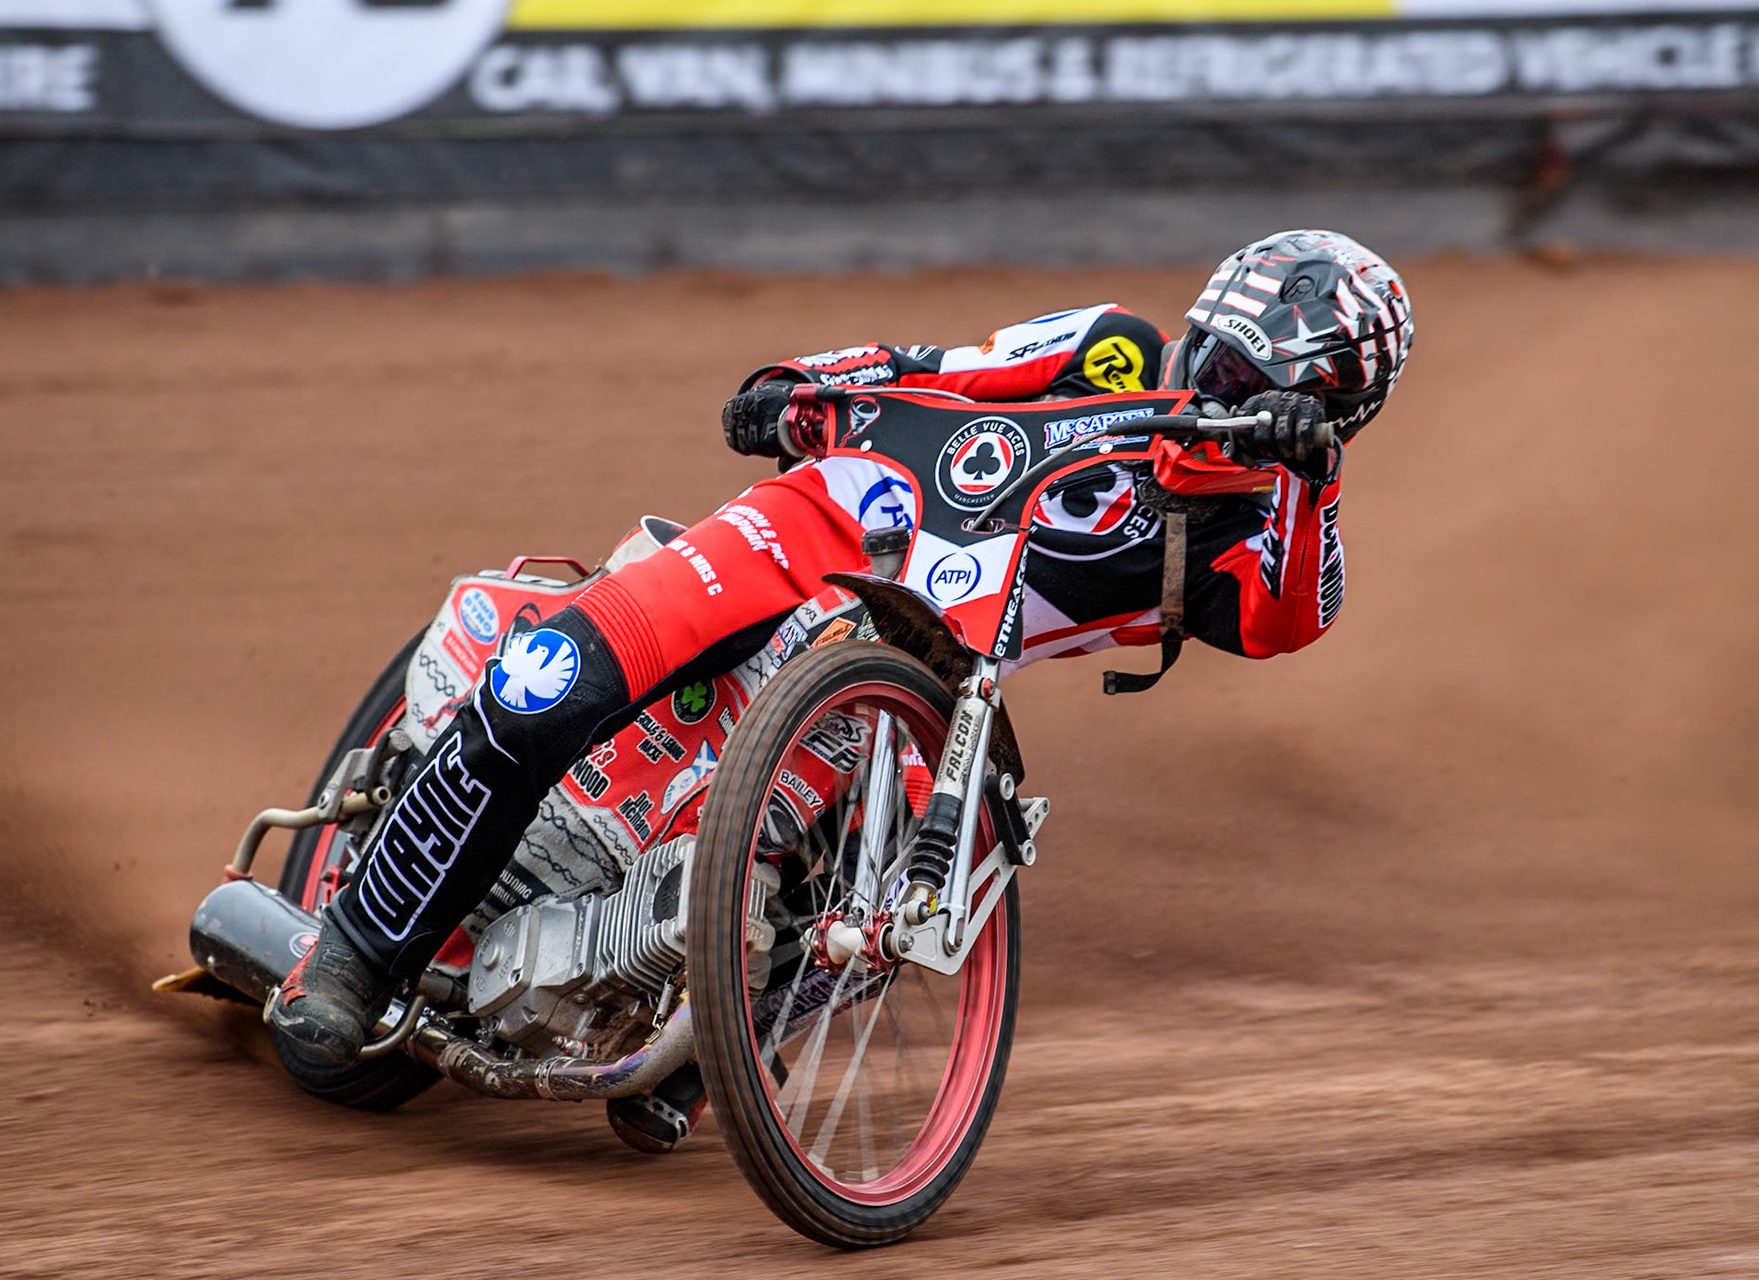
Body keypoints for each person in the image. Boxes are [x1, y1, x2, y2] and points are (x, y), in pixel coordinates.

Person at [270, 228, 1414, 1144]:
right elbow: (945, 367)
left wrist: (1308, 474)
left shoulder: (1256, 528)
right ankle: (355, 950)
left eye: (1245, 382)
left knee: (934, 871)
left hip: (929, 667)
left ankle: (714, 1053)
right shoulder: (1113, 349)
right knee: (557, 679)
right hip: (817, 523)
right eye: (1209, 351)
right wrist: (803, 384)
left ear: (1329, 412)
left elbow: (1288, 621)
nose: (1206, 385)